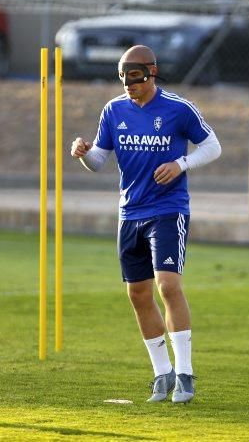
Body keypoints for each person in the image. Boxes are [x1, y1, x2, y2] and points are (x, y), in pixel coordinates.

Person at [70, 45, 221, 404]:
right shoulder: (114, 110)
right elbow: (99, 161)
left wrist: (181, 164)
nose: (128, 85)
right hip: (129, 213)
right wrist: (82, 152)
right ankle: (161, 374)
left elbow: (212, 146)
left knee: (168, 285)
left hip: (169, 210)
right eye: (122, 77)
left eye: (134, 77)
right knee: (138, 294)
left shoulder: (178, 109)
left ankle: (185, 373)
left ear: (151, 72)